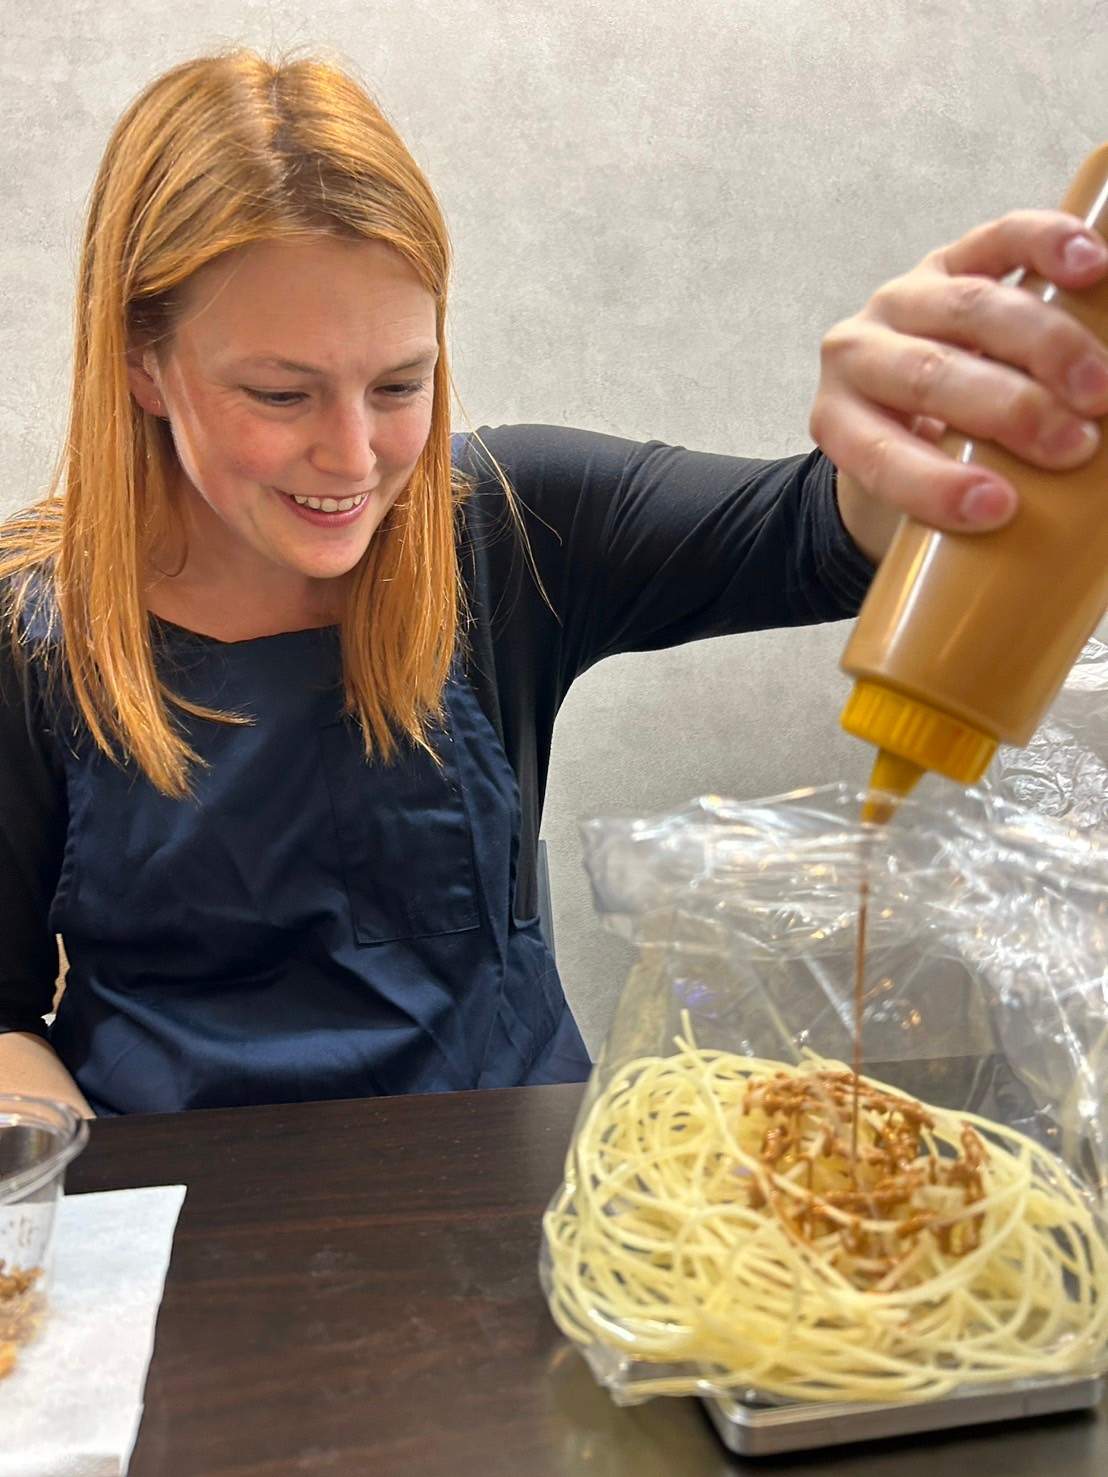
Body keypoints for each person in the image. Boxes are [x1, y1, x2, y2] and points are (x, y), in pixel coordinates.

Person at [0, 53, 1104, 1117]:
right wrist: (73, 1206)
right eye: (281, 395)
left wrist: (901, 443)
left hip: (506, 1195)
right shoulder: (29, 633)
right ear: (143, 363)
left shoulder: (513, 529)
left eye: (399, 383)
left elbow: (811, 532)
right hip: (179, 1232)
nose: (353, 457)